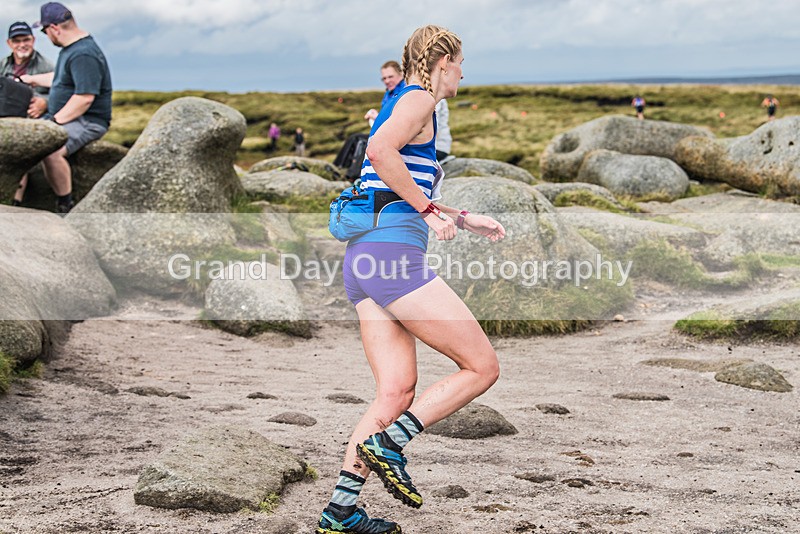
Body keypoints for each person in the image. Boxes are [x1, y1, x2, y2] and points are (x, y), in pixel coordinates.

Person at [316, 25, 505, 534]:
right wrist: (429, 214)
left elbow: (392, 178)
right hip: (392, 259)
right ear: (443, 60)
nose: (464, 72)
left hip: (365, 262)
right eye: (461, 61)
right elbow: (378, 152)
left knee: (394, 391)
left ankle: (340, 513)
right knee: (482, 366)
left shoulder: (407, 99)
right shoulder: (421, 99)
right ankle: (392, 443)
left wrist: (463, 217)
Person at [19, 2, 112, 214]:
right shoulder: (71, 49)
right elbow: (61, 79)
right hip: (68, 117)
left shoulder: (83, 54)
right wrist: (31, 79)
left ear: (54, 28)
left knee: (51, 150)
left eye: (44, 31)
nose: (46, 35)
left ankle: (65, 205)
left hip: (87, 121)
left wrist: (54, 123)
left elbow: (84, 98)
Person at [1, 21, 55, 206]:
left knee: (20, 153)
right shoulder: (3, 66)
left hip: (33, 122)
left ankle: (14, 203)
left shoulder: (47, 66)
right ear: (9, 43)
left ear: (33, 40)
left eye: (26, 39)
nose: (21, 45)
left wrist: (45, 103)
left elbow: (63, 93)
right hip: (6, 120)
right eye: (17, 41)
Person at [363, 60, 406, 127]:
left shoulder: (406, 92)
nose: (387, 81)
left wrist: (377, 118)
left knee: (355, 137)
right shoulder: (388, 94)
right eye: (384, 78)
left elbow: (400, 120)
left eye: (390, 77)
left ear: (401, 74)